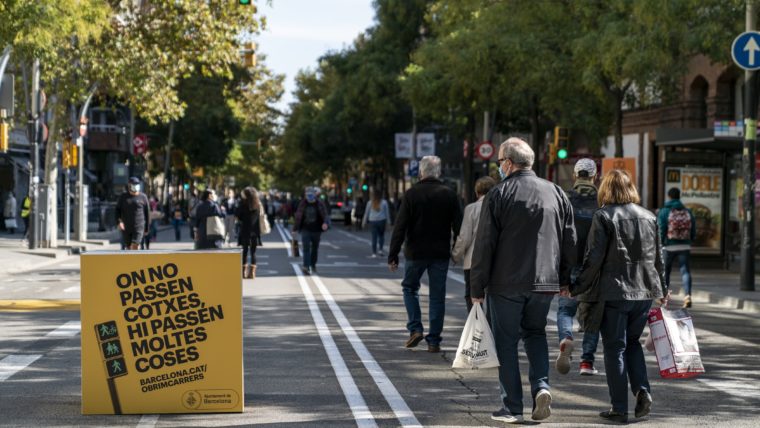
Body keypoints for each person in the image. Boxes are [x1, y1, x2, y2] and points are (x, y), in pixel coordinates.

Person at [470, 138, 576, 424]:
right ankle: (542, 387)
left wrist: (476, 287)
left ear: (507, 162)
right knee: (536, 333)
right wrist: (566, 279)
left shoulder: (499, 194)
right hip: (544, 281)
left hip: (506, 282)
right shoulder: (555, 192)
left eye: (499, 162)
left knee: (505, 342)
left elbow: (484, 244)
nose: (498, 168)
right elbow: (569, 239)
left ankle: (512, 406)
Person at [571, 169, 667, 424]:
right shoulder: (649, 216)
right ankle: (642, 390)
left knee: (615, 348)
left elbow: (593, 258)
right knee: (633, 343)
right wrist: (664, 290)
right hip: (644, 292)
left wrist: (576, 286)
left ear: (605, 189)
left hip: (614, 292)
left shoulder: (603, 216)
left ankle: (619, 407)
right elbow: (659, 257)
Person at [388, 155, 462, 354]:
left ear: (421, 172)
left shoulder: (411, 194)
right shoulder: (450, 194)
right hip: (440, 253)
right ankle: (434, 341)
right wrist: (456, 251)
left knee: (410, 288)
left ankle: (415, 328)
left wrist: (393, 254)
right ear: (439, 173)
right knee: (437, 297)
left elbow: (400, 226)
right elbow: (459, 227)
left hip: (415, 252)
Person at [555, 158, 602, 376]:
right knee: (592, 314)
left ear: (575, 175)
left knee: (565, 309)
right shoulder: (603, 199)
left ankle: (566, 337)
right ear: (595, 176)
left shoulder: (564, 198)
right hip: (594, 267)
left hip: (569, 264)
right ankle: (587, 363)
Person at [451, 176, 496, 315]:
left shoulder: (471, 208)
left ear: (477, 192)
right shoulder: (499, 207)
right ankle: (491, 328)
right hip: (496, 260)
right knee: (494, 297)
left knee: (473, 296)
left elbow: (465, 237)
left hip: (473, 261)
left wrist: (455, 255)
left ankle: (477, 328)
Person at [657, 187, 696, 309]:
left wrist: (661, 242)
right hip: (684, 245)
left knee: (666, 272)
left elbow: (661, 228)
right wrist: (690, 240)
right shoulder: (687, 211)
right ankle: (688, 296)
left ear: (669, 196)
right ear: (679, 196)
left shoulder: (664, 211)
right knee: (685, 271)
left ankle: (664, 297)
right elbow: (693, 228)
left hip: (668, 246)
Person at [293, 187, 329, 274]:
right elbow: (298, 216)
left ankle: (313, 264)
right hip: (306, 230)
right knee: (306, 248)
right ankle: (306, 266)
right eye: (307, 194)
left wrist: (325, 223)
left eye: (311, 194)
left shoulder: (320, 203)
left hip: (317, 230)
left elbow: (325, 215)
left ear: (315, 194)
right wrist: (295, 229)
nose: (309, 196)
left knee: (315, 248)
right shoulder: (303, 203)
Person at [115, 177, 150, 250]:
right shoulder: (123, 197)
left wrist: (146, 228)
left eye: (137, 184)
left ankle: (137, 260)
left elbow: (147, 213)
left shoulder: (143, 197)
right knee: (128, 247)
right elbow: (117, 210)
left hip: (139, 227)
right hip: (126, 227)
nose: (135, 186)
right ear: (129, 185)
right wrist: (119, 222)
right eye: (133, 184)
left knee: (135, 245)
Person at [236, 187, 262, 279]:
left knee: (245, 252)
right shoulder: (257, 205)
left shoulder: (243, 205)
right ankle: (252, 273)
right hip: (255, 232)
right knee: (253, 252)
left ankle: (243, 272)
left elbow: (238, 216)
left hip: (245, 231)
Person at [362, 190, 391, 257]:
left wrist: (364, 222)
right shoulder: (384, 202)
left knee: (374, 237)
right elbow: (387, 213)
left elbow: (366, 213)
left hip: (373, 221)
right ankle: (380, 250)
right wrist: (389, 222)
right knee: (381, 236)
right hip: (381, 220)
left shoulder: (370, 203)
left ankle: (374, 253)